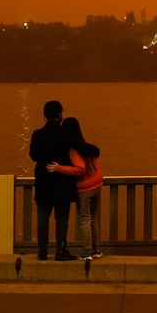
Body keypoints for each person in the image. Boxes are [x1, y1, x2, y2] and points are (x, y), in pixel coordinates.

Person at [47, 117, 103, 262]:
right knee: (93, 219)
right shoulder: (87, 146)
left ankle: (88, 251)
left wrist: (59, 168)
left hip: (85, 188)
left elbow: (80, 169)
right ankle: (97, 250)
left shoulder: (74, 149)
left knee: (84, 219)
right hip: (97, 185)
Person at [28, 99, 77, 260]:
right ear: (60, 115)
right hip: (62, 181)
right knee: (62, 218)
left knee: (43, 217)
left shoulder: (38, 134)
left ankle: (42, 251)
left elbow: (34, 155)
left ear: (44, 116)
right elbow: (71, 155)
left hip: (43, 181)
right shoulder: (66, 134)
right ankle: (60, 250)